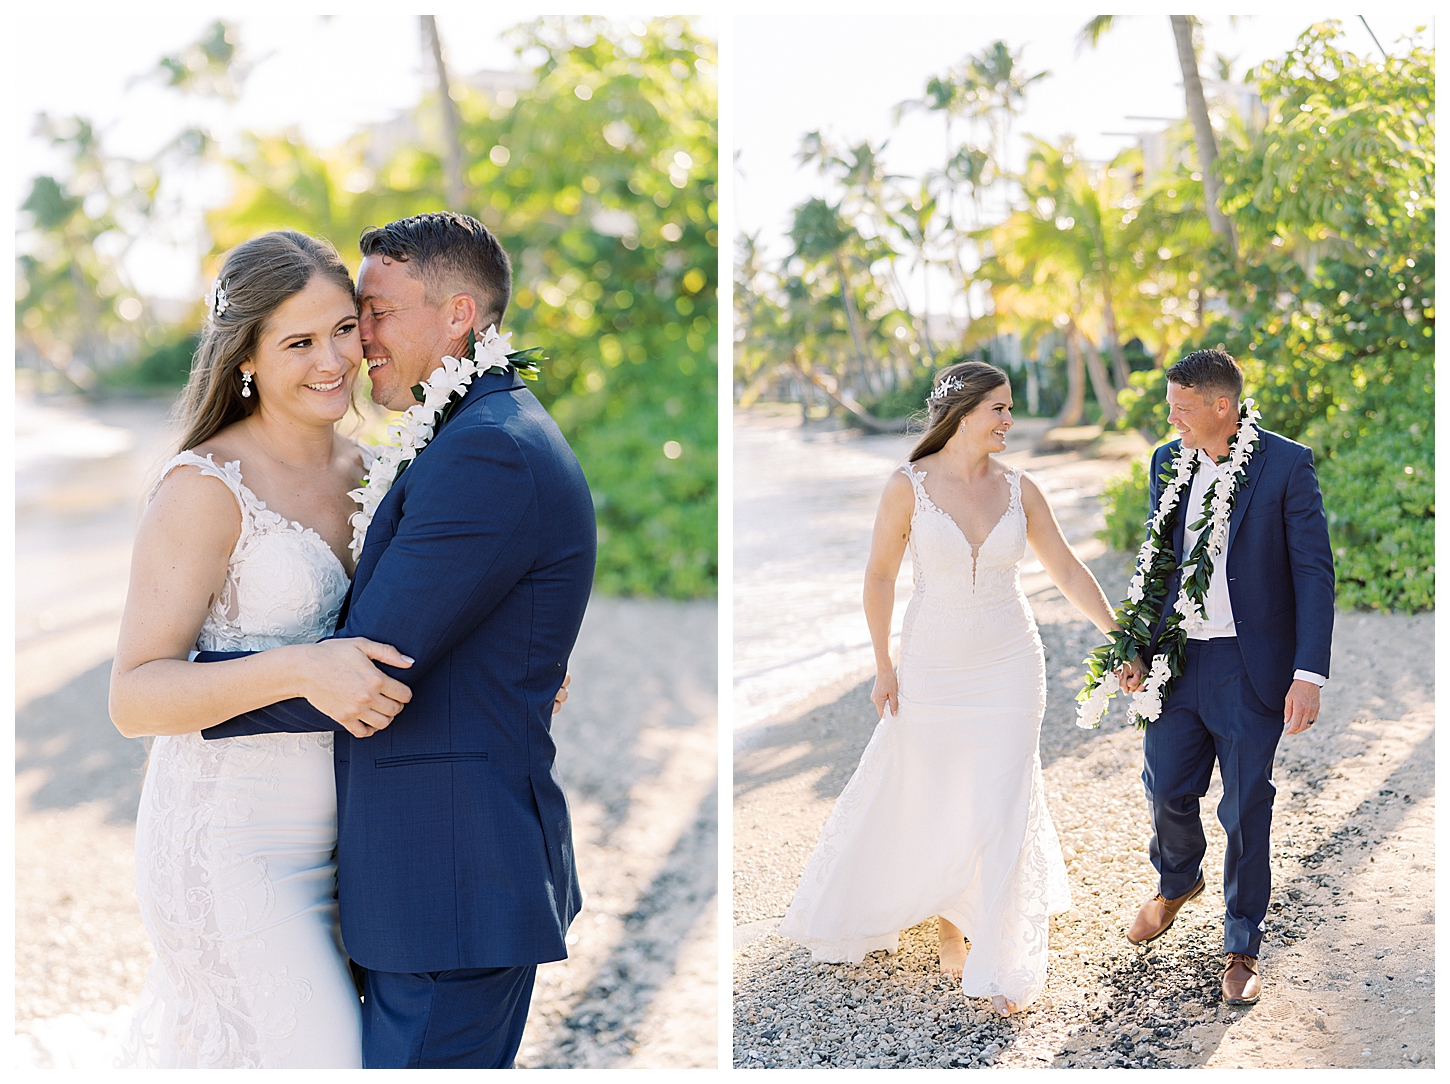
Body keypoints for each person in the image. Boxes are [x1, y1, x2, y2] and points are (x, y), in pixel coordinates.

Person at [194, 212, 597, 1068]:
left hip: (447, 887)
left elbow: (365, 669)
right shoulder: (468, 432)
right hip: (425, 878)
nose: (357, 342)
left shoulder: (486, 450)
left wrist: (193, 695)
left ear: (457, 315)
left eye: (372, 315)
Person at [109, 230, 420, 1068]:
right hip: (229, 847)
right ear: (244, 356)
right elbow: (135, 696)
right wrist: (297, 668)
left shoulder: (385, 468)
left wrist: (520, 665)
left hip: (356, 844)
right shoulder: (204, 490)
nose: (335, 360)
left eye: (345, 330)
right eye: (299, 342)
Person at [777, 361, 1138, 1016]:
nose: (1009, 420)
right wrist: (883, 665)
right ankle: (949, 918)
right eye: (999, 409)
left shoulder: (1021, 489)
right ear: (963, 413)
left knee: (1005, 798)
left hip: (1010, 665)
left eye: (1008, 409)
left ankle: (1000, 960)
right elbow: (880, 576)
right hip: (932, 665)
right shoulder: (907, 486)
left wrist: (1120, 639)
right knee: (939, 791)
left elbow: (1066, 567)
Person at [1119, 349, 1333, 1007]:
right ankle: (1177, 880)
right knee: (1165, 785)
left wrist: (1309, 674)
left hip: (1251, 664)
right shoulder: (1167, 461)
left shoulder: (1286, 463)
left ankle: (1241, 945)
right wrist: (1134, 646)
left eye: (1181, 408)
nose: (1171, 419)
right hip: (1179, 659)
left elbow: (1313, 572)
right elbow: (1157, 557)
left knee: (1245, 806)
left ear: (1222, 406)